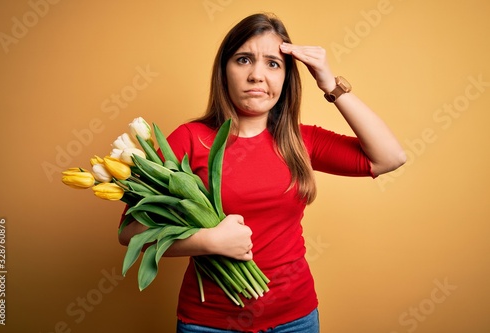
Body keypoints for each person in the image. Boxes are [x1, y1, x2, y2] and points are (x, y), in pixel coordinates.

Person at [119, 12, 406, 333]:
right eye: (243, 60)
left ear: (286, 78)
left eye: (272, 63)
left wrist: (330, 84)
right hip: (209, 322)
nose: (257, 75)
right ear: (224, 71)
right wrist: (209, 240)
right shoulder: (190, 138)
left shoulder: (300, 140)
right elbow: (130, 233)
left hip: (294, 319)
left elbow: (390, 157)